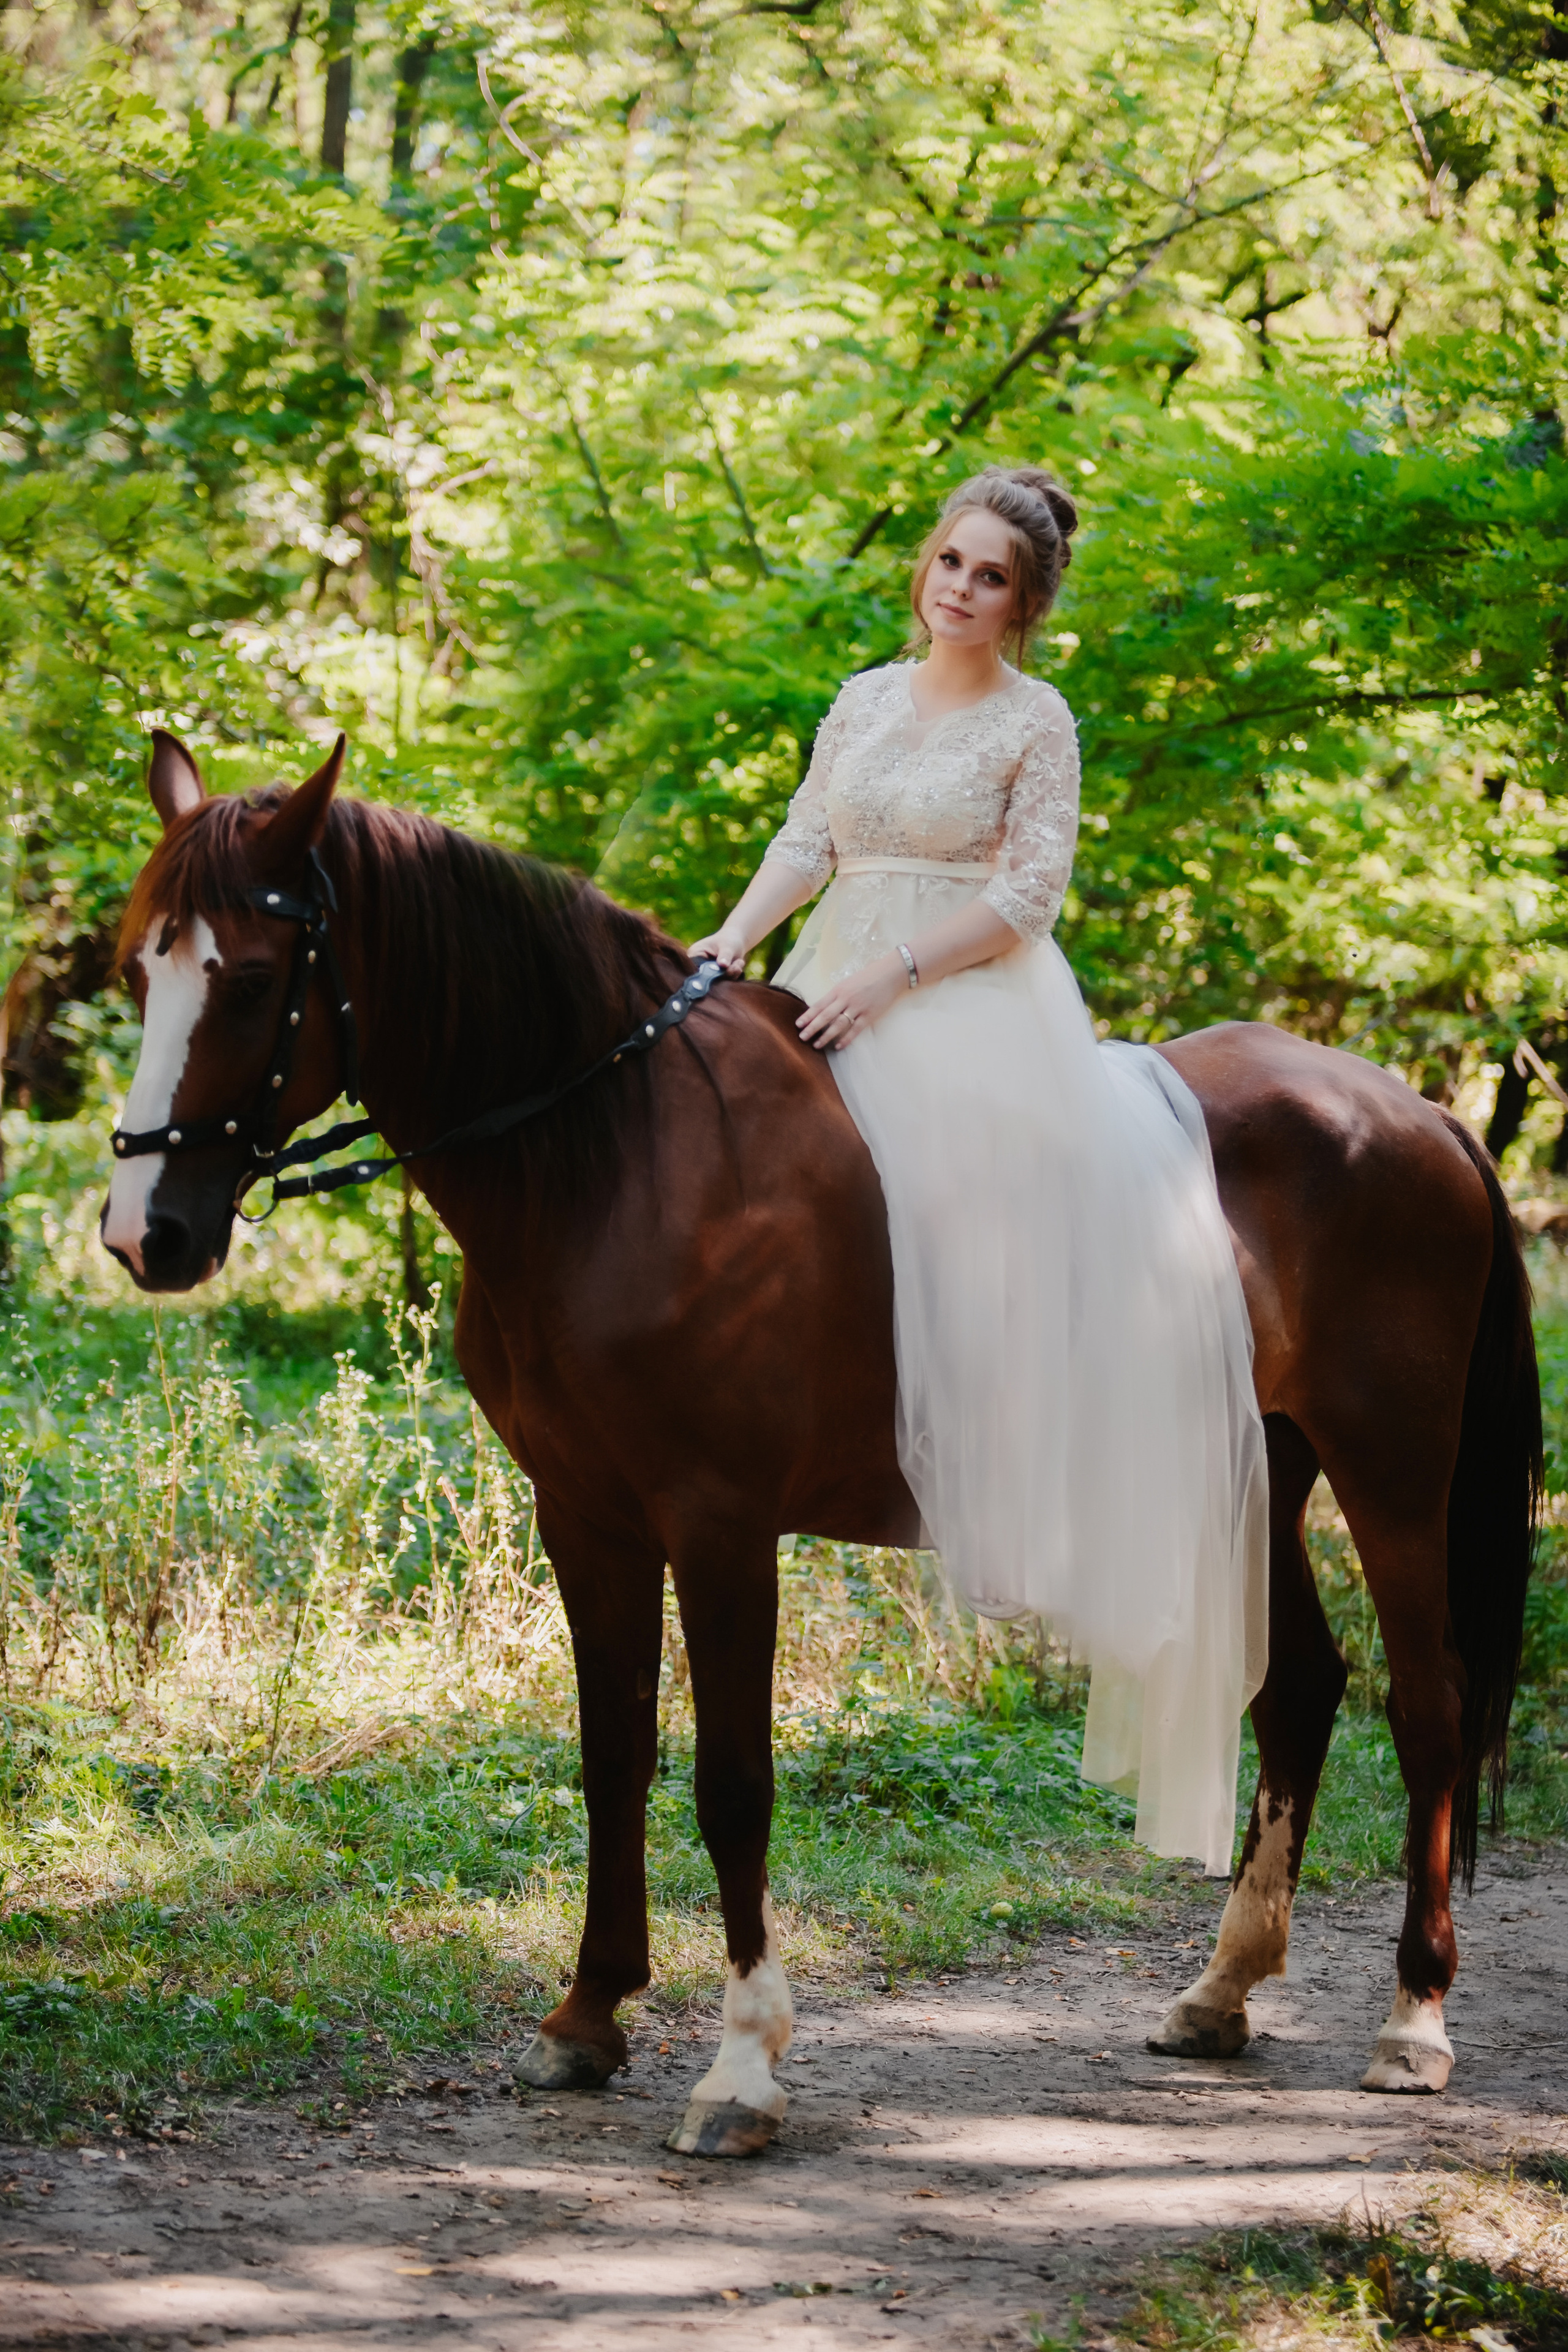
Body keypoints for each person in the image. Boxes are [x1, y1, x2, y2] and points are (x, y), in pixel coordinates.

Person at [692, 466, 1268, 1877]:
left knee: (950, 1188)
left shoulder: (1035, 719)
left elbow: (1025, 896)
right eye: (947, 562)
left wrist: (895, 973)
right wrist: (722, 948)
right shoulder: (861, 697)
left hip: (963, 994)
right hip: (826, 974)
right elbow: (809, 838)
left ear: (1025, 601)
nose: (958, 588)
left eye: (989, 575)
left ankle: (1001, 1474)